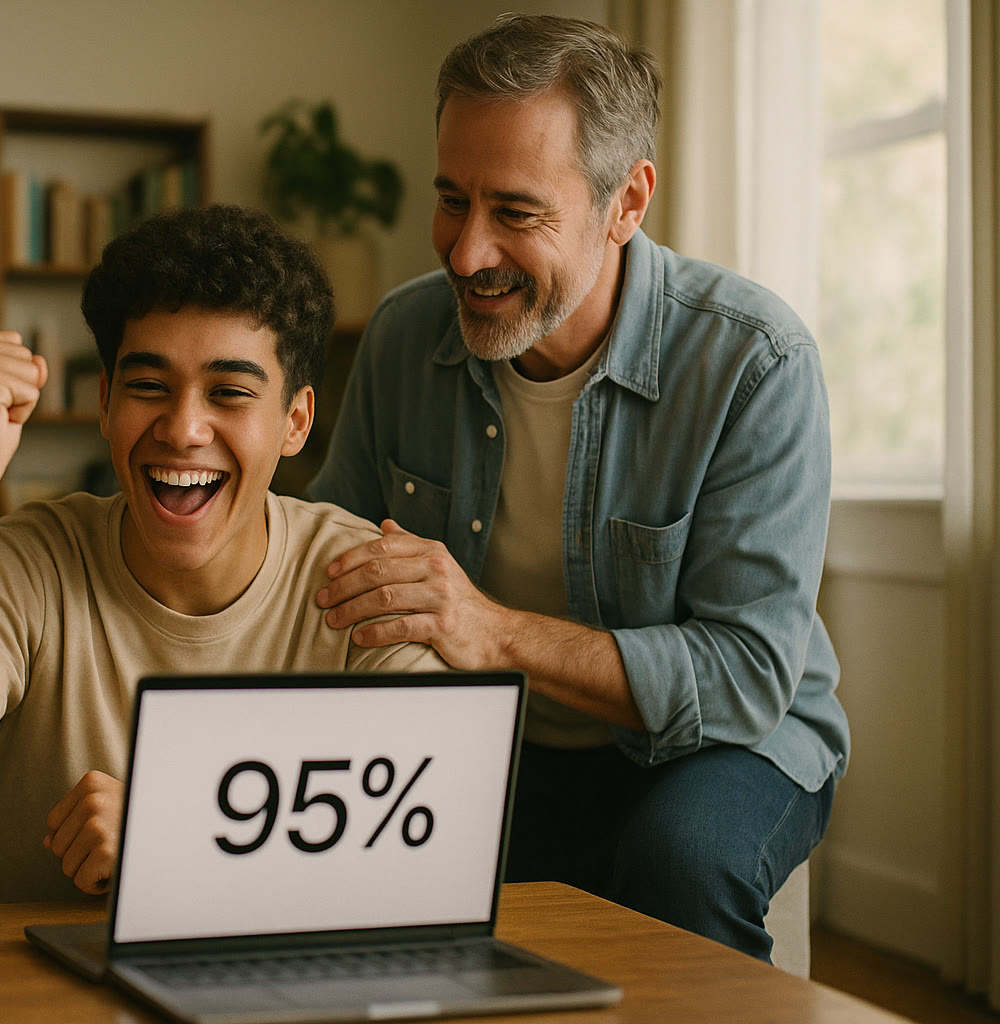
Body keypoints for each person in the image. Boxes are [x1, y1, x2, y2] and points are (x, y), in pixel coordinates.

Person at [309, 15, 850, 962]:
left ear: (626, 201)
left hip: (726, 744)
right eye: (451, 199)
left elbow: (747, 676)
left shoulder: (756, 363)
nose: (467, 252)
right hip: (504, 737)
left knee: (677, 859)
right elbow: (328, 571)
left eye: (515, 212)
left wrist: (492, 630)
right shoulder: (402, 337)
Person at [0, 204, 445, 903]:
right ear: (104, 402)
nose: (183, 428)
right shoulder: (27, 564)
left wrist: (178, 836)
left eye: (229, 393)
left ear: (296, 421)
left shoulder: (370, 581)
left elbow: (421, 867)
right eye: (148, 387)